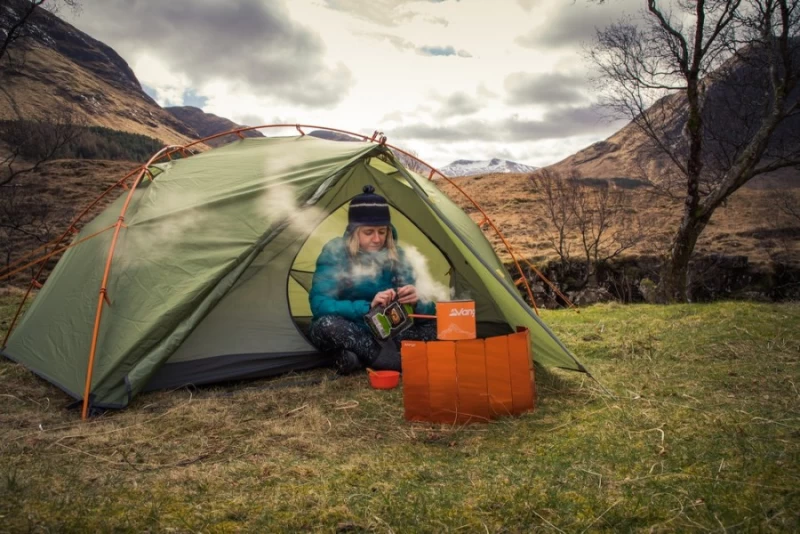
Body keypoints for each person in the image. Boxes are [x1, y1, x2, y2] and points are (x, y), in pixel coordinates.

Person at [308, 185, 438, 374]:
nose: (377, 239)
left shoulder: (397, 255)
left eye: (382, 232)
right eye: (368, 232)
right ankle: (390, 360)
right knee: (326, 326)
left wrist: (417, 302)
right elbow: (319, 305)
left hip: (390, 331)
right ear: (354, 232)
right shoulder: (335, 253)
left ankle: (357, 356)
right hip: (353, 327)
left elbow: (425, 312)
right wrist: (368, 307)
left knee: (436, 326)